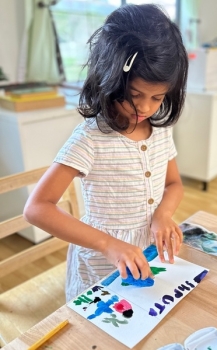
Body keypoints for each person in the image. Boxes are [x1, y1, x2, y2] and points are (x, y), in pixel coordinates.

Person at [24, 3, 188, 302]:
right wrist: (107, 244)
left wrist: (163, 214)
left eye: (158, 97)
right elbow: (37, 208)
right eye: (135, 95)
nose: (146, 108)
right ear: (110, 79)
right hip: (100, 268)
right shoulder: (91, 139)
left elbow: (174, 184)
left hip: (145, 256)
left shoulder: (160, 130)